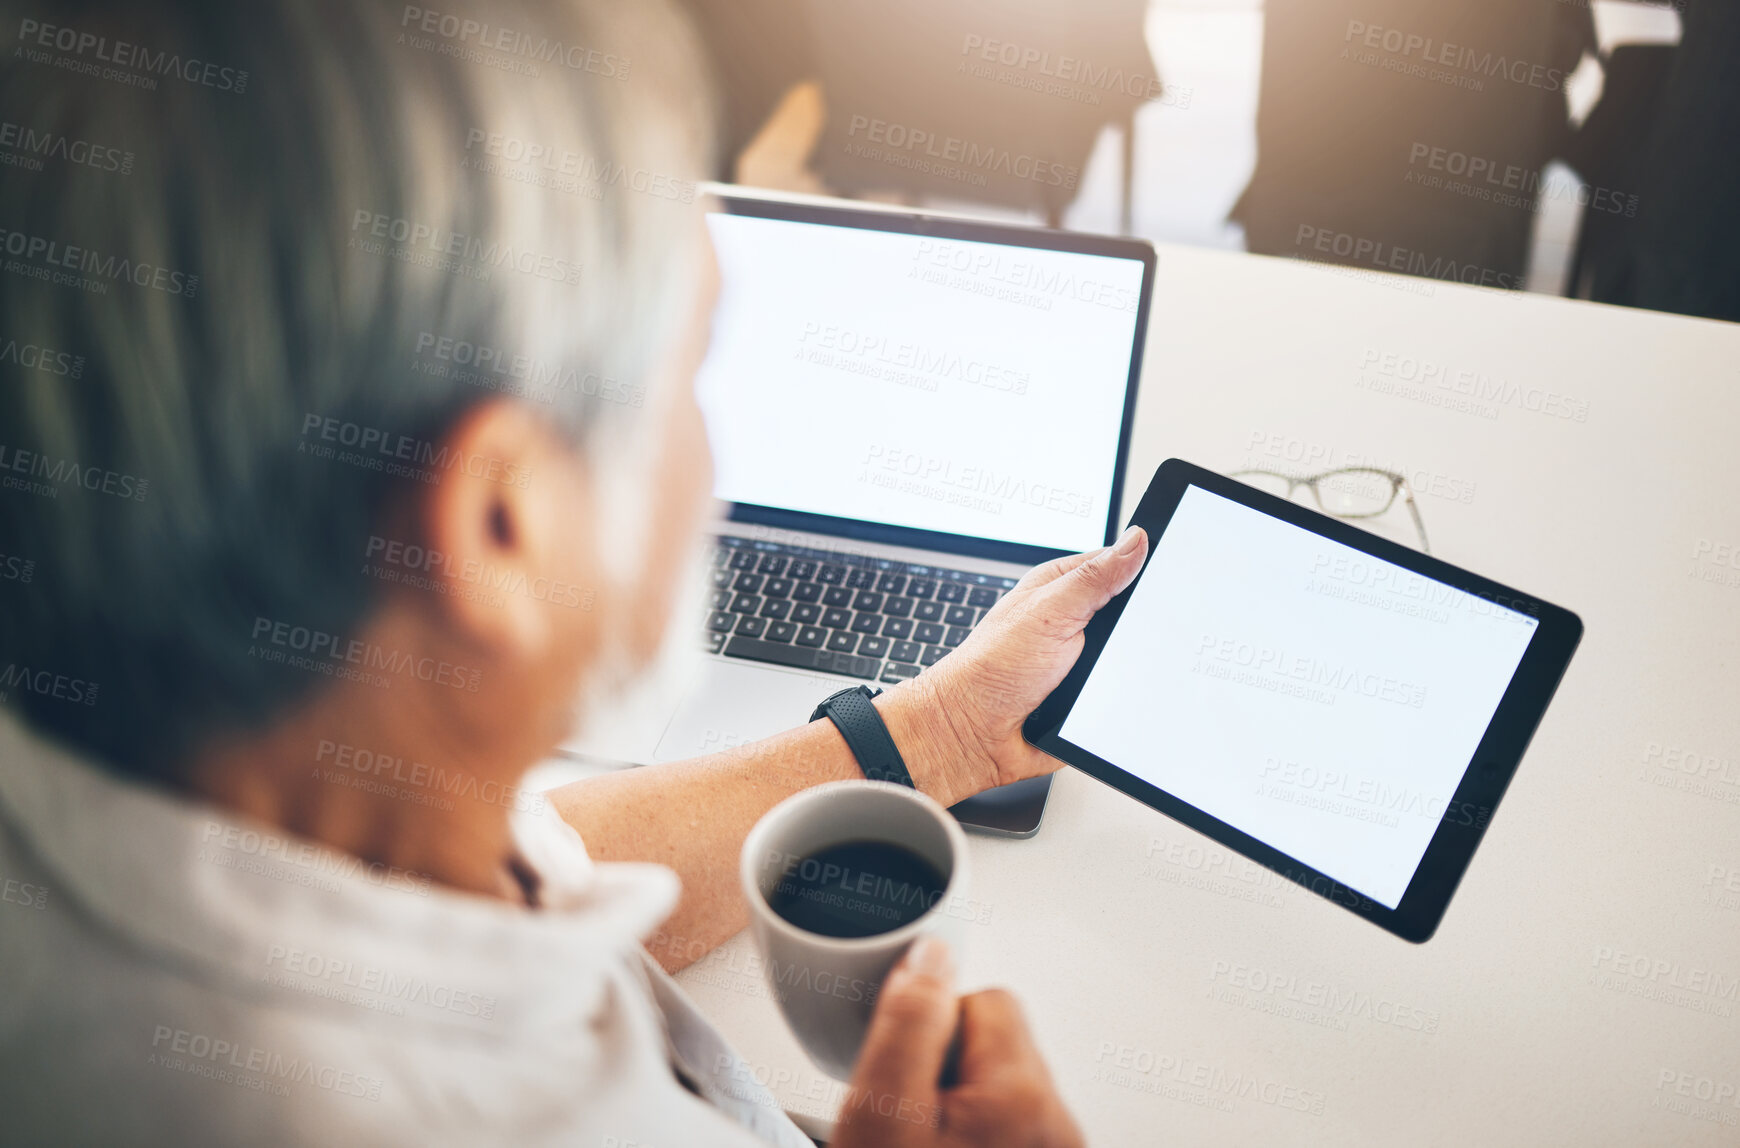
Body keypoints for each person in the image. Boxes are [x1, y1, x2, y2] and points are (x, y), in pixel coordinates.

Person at [0, 1, 1144, 1144]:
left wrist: (937, 730)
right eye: (696, 365)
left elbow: (542, 859)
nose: (717, 459)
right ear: (502, 521)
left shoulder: (229, 801)